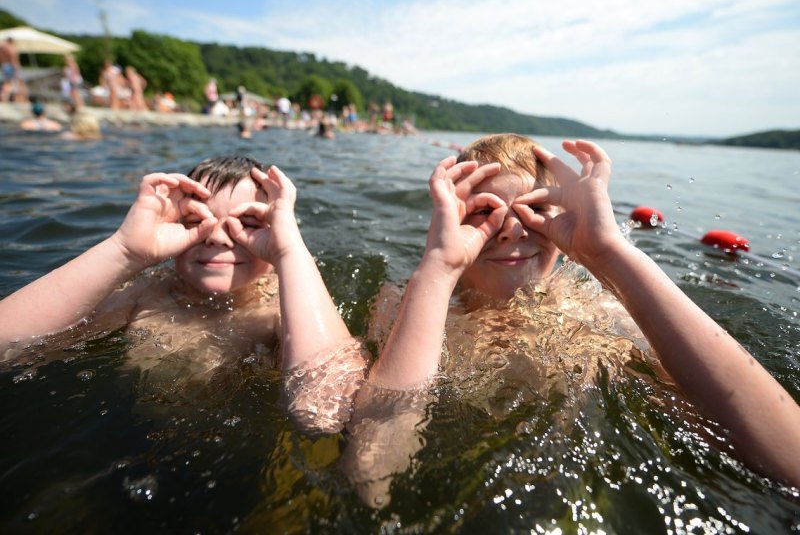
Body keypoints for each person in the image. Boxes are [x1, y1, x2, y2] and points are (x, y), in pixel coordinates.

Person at [343, 133, 800, 504]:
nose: (511, 227)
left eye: (536, 208)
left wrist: (609, 252)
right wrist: (439, 269)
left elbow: (790, 461)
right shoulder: (413, 305)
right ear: (449, 219)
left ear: (566, 224)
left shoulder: (596, 310)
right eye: (483, 211)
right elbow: (372, 472)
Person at [0, 156, 365, 431]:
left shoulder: (278, 308)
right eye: (195, 221)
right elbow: (8, 346)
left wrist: (289, 253)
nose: (217, 236)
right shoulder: (146, 292)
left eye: (248, 224)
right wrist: (126, 250)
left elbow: (324, 412)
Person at [0, 37, 26, 103]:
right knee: (20, 83)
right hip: (13, 65)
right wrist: (17, 68)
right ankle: (21, 100)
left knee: (7, 83)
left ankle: (3, 97)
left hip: (4, 65)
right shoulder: (12, 47)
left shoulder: (2, 47)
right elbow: (14, 58)